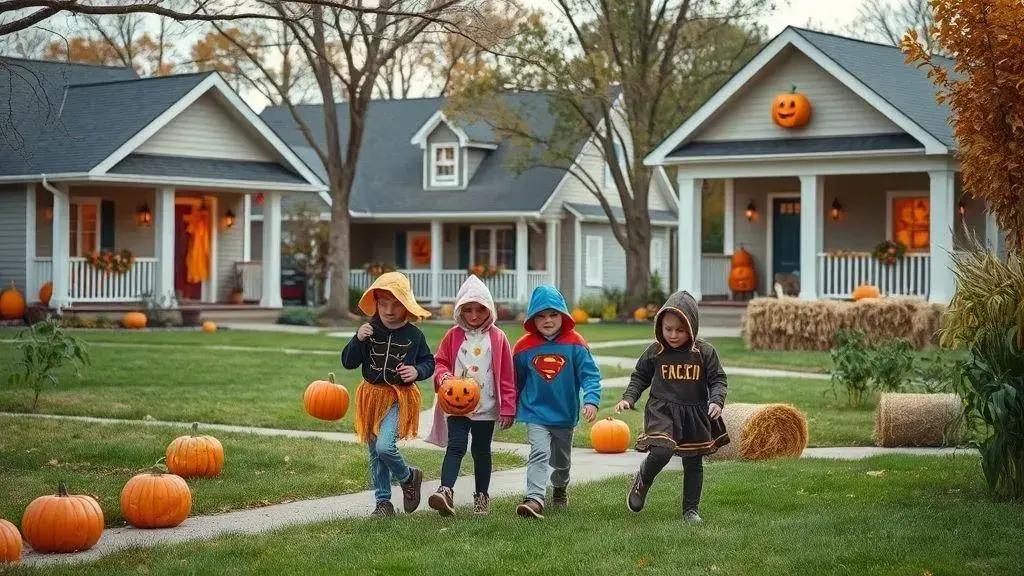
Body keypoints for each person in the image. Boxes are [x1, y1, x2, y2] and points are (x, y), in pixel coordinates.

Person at [615, 290, 729, 524]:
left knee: (693, 461)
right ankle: (643, 479)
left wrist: (716, 400)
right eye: (668, 329)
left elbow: (718, 379)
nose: (673, 335)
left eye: (680, 330)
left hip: (694, 412)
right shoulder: (655, 351)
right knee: (662, 450)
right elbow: (640, 377)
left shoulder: (704, 352)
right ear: (660, 326)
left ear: (692, 327)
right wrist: (629, 398)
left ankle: (690, 510)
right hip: (663, 410)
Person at [341, 272, 434, 518]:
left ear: (406, 306)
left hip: (397, 397)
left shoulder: (414, 335)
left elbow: (428, 362)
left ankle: (407, 477)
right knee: (375, 454)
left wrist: (416, 370)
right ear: (376, 304)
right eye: (383, 304)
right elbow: (348, 362)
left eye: (395, 305)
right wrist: (357, 340)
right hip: (371, 398)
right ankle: (383, 502)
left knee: (384, 447)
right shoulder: (369, 330)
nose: (389, 310)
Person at [425, 275, 517, 516]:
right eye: (468, 310)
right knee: (455, 446)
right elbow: (440, 362)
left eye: (479, 310)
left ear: (489, 309)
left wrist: (508, 407)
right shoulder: (453, 336)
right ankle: (445, 491)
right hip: (457, 405)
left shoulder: (498, 338)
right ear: (460, 311)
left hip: (486, 406)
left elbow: (507, 375)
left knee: (481, 450)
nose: (474, 316)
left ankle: (482, 497)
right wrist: (443, 376)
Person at [512, 285, 602, 519]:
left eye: (553, 314)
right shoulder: (523, 347)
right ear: (532, 318)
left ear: (563, 315)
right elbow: (514, 380)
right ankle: (534, 499)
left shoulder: (576, 344)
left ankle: (560, 488)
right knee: (539, 452)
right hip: (535, 412)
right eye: (540, 315)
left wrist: (591, 400)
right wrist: (509, 407)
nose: (548, 320)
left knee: (561, 462)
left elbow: (590, 375)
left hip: (564, 413)